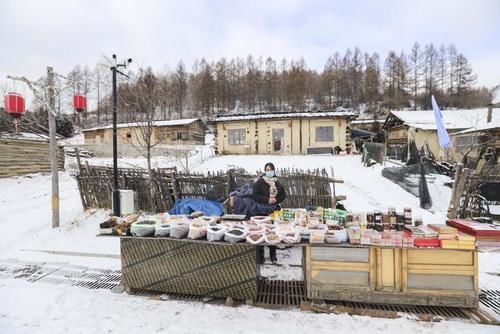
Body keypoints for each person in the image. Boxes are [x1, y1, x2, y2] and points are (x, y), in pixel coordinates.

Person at [252, 162, 286, 264]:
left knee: (273, 233)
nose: (269, 171)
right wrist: (267, 199)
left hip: (274, 211)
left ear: (274, 171)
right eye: (267, 169)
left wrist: (276, 199)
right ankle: (260, 255)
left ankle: (273, 254)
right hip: (261, 211)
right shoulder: (259, 182)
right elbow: (255, 195)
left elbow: (283, 195)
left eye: (271, 169)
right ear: (264, 171)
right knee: (261, 232)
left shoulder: (277, 183)